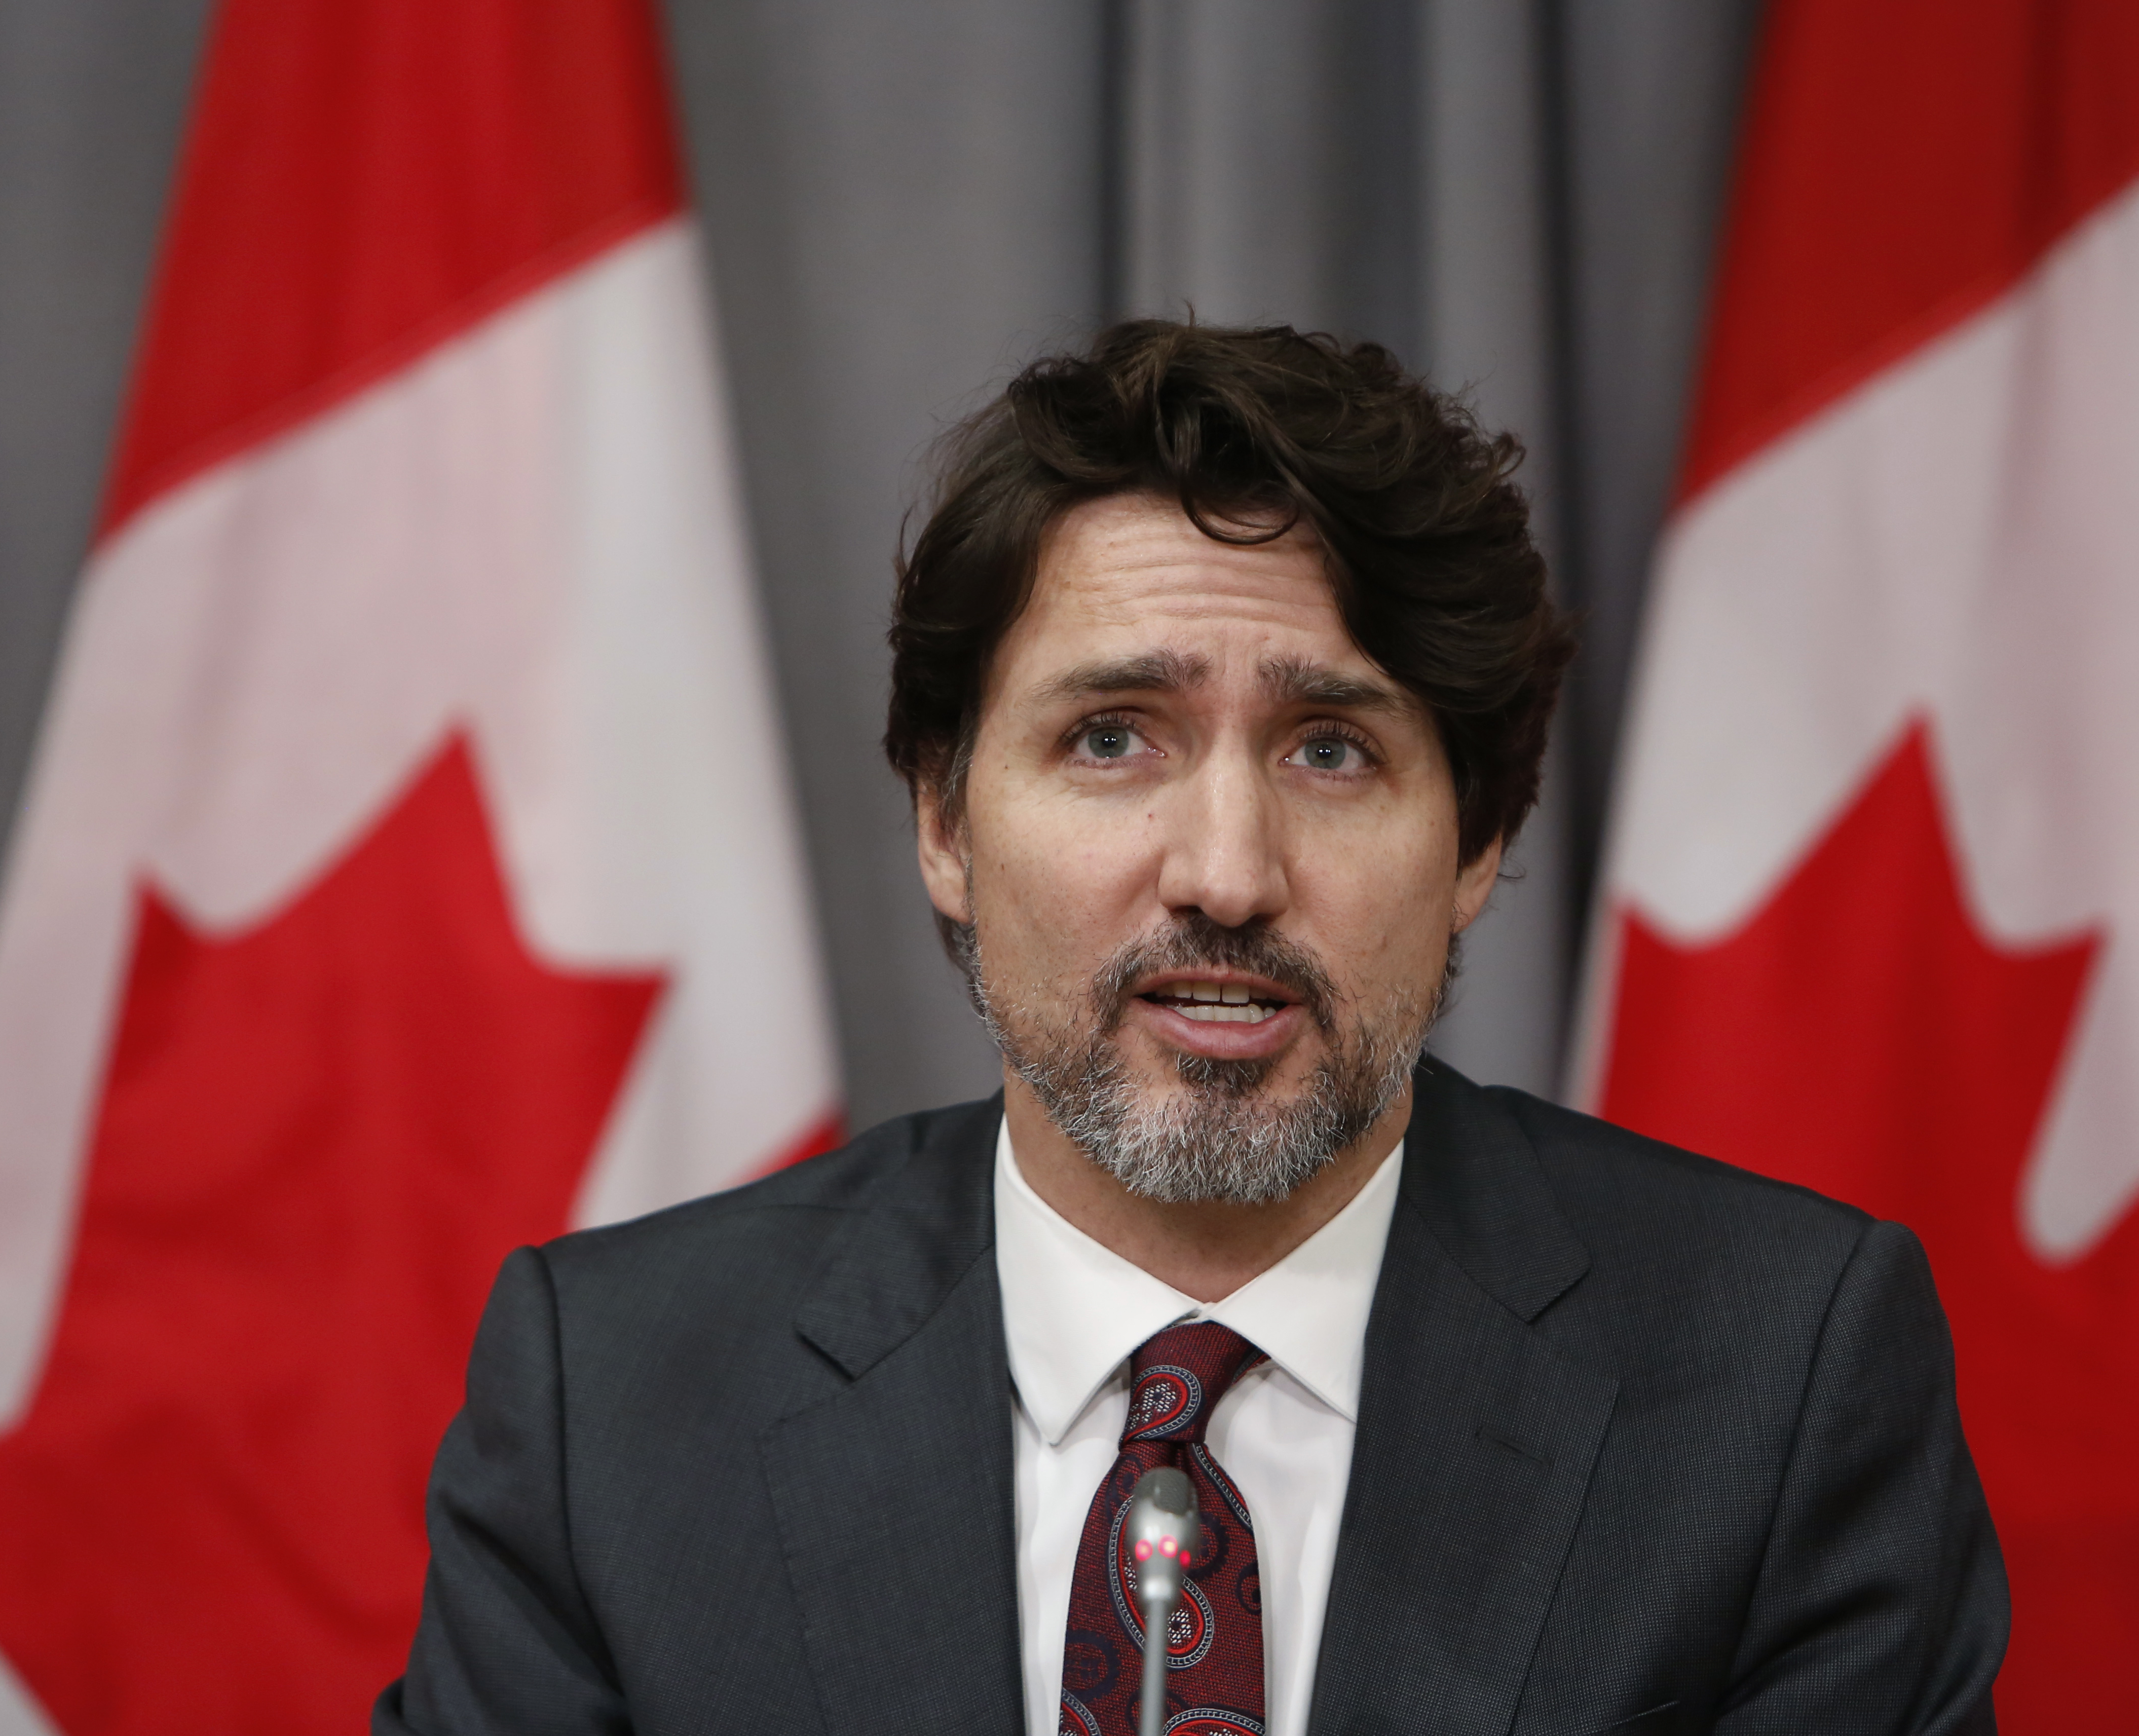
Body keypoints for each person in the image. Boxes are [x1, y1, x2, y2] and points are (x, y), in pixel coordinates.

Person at [374, 321, 2008, 1736]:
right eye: (1110, 739)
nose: (1225, 876)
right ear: (944, 819)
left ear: (1479, 842)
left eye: (1331, 751)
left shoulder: (1777, 1379)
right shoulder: (618, 1399)